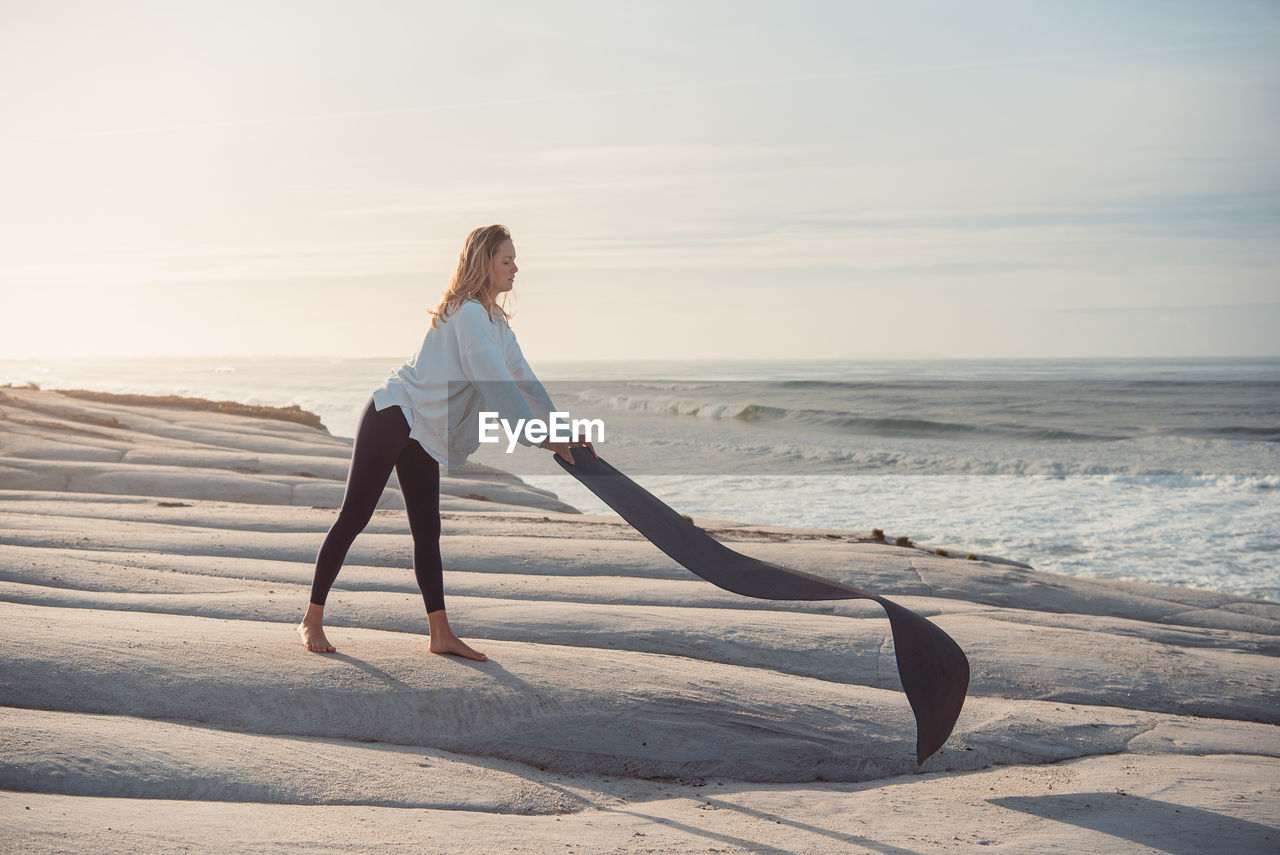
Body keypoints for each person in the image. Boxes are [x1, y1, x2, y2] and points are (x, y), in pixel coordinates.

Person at [296, 224, 594, 659]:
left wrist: (560, 430)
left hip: (426, 429)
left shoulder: (495, 324)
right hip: (394, 412)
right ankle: (311, 619)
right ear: (484, 264)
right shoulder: (470, 315)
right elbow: (495, 385)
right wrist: (542, 437)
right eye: (506, 261)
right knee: (355, 515)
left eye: (515, 260)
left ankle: (440, 633)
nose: (515, 269)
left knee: (427, 531)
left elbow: (525, 382)